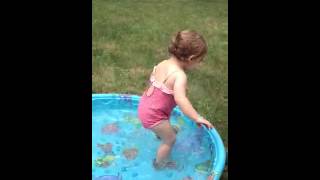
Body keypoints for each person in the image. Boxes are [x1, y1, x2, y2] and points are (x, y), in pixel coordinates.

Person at [138, 30, 214, 169]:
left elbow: (155, 85)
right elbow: (181, 100)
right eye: (200, 60)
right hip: (155, 116)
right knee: (171, 139)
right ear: (191, 58)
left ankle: (159, 133)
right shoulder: (179, 76)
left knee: (168, 129)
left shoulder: (162, 63)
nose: (200, 63)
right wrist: (197, 117)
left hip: (144, 106)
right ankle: (160, 164)